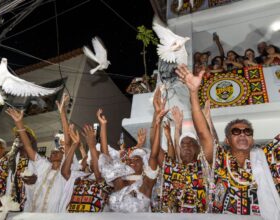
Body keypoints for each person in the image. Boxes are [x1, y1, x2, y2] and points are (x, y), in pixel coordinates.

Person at [176, 64, 280, 219]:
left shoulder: (267, 156)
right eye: (236, 132)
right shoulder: (220, 160)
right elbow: (204, 134)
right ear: (227, 140)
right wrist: (193, 93)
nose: (243, 135)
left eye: (247, 132)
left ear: (252, 139)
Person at [6, 107, 82, 213]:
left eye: (59, 150)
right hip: (31, 213)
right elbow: (28, 147)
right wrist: (19, 123)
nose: (54, 152)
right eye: (52, 151)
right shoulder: (43, 165)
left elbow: (68, 145)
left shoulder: (67, 174)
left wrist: (63, 114)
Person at [97, 104, 166, 212]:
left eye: (136, 159)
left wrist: (157, 123)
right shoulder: (119, 181)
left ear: (144, 165)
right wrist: (103, 125)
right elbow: (105, 157)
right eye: (130, 159)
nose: (131, 161)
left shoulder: (146, 183)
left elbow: (153, 154)